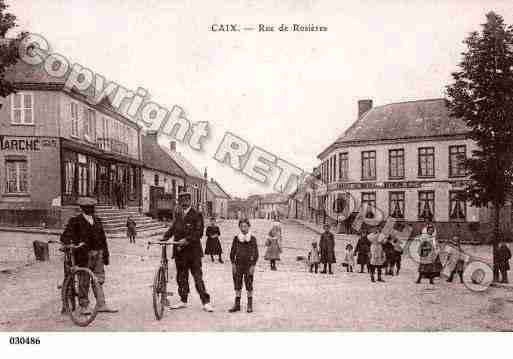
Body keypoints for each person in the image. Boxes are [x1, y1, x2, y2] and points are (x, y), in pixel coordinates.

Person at [60, 197, 118, 314]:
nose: (91, 209)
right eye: (88, 208)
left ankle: (101, 304)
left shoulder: (97, 220)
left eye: (92, 207)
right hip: (83, 255)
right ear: (82, 208)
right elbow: (64, 237)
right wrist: (75, 244)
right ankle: (84, 305)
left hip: (98, 254)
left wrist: (106, 254)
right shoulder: (75, 221)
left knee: (99, 280)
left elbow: (103, 238)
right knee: (83, 280)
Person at [163, 192, 214, 312]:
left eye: (186, 200)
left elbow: (199, 232)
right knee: (181, 277)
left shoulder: (197, 215)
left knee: (197, 277)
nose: (183, 203)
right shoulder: (178, 214)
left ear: (190, 201)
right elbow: (173, 228)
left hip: (193, 253)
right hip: (180, 252)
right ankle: (183, 300)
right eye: (181, 201)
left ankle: (206, 302)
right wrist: (165, 237)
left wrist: (186, 240)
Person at [229, 218, 259, 313]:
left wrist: (253, 266)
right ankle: (237, 304)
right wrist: (233, 264)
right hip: (238, 265)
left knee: (249, 284)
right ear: (239, 227)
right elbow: (232, 252)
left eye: (245, 226)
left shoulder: (252, 239)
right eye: (241, 226)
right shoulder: (236, 238)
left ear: (249, 227)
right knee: (237, 284)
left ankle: (249, 305)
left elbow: (256, 254)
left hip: (248, 265)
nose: (243, 228)